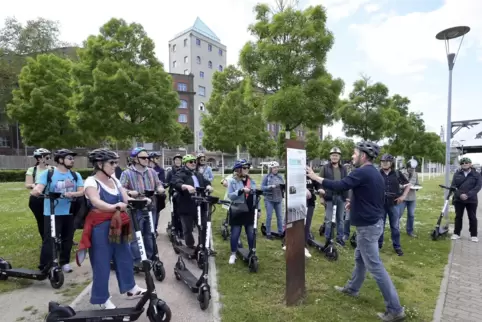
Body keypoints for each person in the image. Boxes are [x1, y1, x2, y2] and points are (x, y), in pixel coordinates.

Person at [306, 141, 405, 322]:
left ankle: (395, 309)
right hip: (372, 224)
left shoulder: (362, 171)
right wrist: (355, 202)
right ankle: (352, 288)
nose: (352, 156)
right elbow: (372, 195)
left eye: (354, 153)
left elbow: (340, 185)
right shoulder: (374, 173)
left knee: (375, 267)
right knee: (360, 259)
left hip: (368, 228)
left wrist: (315, 176)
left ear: (363, 156)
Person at [77, 148, 146, 309]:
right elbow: (95, 201)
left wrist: (138, 200)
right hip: (100, 226)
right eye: (112, 163)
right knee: (101, 262)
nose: (115, 165)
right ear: (99, 164)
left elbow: (125, 197)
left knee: (125, 255)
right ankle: (101, 298)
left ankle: (130, 288)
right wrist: (114, 206)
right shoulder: (91, 182)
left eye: (116, 162)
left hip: (118, 222)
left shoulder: (114, 179)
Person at [31, 149, 84, 274]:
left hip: (69, 212)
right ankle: (45, 265)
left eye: (73, 158)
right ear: (60, 160)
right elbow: (38, 187)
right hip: (52, 212)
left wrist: (72, 193)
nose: (72, 160)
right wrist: (37, 191)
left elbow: (82, 190)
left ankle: (64, 262)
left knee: (68, 238)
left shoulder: (76, 175)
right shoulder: (48, 174)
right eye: (69, 158)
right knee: (50, 239)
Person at [120, 147, 165, 266]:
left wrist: (160, 188)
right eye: (143, 158)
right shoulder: (127, 173)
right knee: (136, 236)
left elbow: (159, 184)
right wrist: (130, 192)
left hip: (151, 207)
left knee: (150, 234)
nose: (147, 159)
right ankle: (137, 261)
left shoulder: (152, 172)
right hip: (135, 209)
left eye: (147, 157)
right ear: (135, 159)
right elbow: (121, 188)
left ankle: (150, 258)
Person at [172, 154, 213, 248]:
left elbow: (206, 181)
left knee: (203, 226)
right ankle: (190, 245)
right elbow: (176, 182)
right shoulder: (180, 173)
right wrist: (185, 186)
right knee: (187, 228)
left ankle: (203, 245)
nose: (193, 163)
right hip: (186, 205)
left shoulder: (198, 174)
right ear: (185, 163)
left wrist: (208, 186)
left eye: (194, 161)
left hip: (200, 204)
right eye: (191, 162)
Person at [227, 159, 261, 264]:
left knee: (251, 233)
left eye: (247, 168)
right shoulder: (233, 181)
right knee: (235, 233)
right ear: (238, 169)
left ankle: (252, 252)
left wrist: (258, 209)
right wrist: (241, 190)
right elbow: (230, 196)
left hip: (250, 210)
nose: (247, 169)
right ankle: (233, 254)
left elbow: (256, 196)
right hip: (237, 210)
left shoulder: (252, 181)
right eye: (244, 168)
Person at [378, 154, 410, 256]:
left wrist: (403, 196)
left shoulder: (397, 173)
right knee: (380, 226)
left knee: (395, 227)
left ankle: (397, 246)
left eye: (386, 162)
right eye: (382, 162)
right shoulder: (377, 173)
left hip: (394, 204)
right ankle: (378, 245)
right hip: (381, 204)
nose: (384, 164)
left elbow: (408, 185)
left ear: (391, 163)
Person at [318, 147, 349, 246]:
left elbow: (346, 183)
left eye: (336, 155)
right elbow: (319, 182)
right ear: (330, 156)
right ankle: (328, 238)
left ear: (339, 157)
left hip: (341, 197)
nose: (335, 157)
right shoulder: (325, 168)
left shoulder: (343, 168)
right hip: (329, 197)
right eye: (333, 155)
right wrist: (321, 196)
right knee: (328, 219)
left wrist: (347, 198)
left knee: (340, 219)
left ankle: (340, 238)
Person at [450, 157, 482, 242]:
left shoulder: (476, 175)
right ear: (461, 165)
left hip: (471, 200)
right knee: (458, 217)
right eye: (462, 163)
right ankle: (456, 233)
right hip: (459, 199)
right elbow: (453, 186)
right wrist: (460, 195)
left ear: (470, 164)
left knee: (472, 217)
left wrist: (468, 195)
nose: (464, 164)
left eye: (466, 163)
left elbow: (478, 187)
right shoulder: (457, 174)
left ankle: (474, 235)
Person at [25, 148, 52, 241]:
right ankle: (45, 240)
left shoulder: (52, 169)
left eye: (49, 157)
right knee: (42, 221)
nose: (49, 159)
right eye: (46, 157)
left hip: (50, 197)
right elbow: (27, 184)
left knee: (54, 219)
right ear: (39, 159)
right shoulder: (32, 170)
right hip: (37, 198)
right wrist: (35, 185)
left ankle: (59, 238)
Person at [261, 161, 285, 240]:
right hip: (269, 199)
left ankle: (281, 232)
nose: (276, 169)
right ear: (270, 168)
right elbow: (262, 187)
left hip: (278, 199)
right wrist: (270, 187)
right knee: (269, 216)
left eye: (277, 167)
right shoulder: (266, 177)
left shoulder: (280, 177)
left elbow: (283, 186)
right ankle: (268, 233)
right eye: (274, 167)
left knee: (280, 217)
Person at [399, 161, 420, 237]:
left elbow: (417, 183)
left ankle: (410, 231)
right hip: (403, 198)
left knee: (411, 215)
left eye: (413, 168)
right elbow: (397, 184)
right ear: (407, 167)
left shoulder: (416, 174)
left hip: (412, 198)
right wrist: (404, 186)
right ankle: (395, 229)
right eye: (411, 168)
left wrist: (417, 187)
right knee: (398, 214)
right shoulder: (401, 173)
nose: (412, 170)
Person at [148, 151, 167, 233]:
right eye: (156, 158)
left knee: (156, 212)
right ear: (151, 159)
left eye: (158, 158)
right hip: (146, 194)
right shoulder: (145, 168)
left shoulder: (160, 170)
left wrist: (161, 187)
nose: (158, 160)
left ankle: (154, 229)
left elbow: (162, 181)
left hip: (156, 195)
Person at [166, 154, 183, 237]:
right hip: (173, 194)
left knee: (182, 213)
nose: (178, 162)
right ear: (174, 161)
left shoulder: (183, 171)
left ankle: (182, 230)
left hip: (182, 195)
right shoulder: (170, 172)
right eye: (176, 160)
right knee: (174, 212)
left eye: (179, 160)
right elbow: (167, 182)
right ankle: (175, 229)